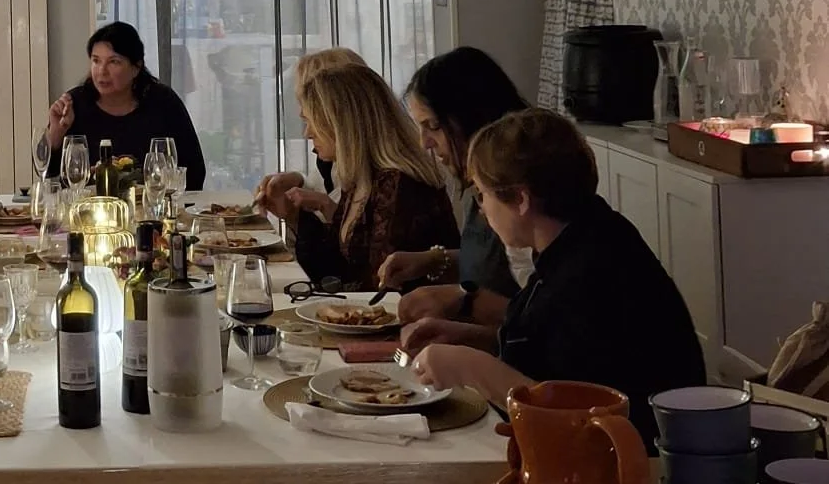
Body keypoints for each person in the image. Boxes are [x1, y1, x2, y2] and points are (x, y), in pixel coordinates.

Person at [403, 107, 705, 451]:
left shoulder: (592, 271)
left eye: (482, 194)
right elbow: (554, 356)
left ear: (520, 199)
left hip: (631, 466)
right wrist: (473, 339)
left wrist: (471, 367)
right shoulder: (588, 232)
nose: (483, 209)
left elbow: (575, 413)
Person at [259, 50, 457, 291]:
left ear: (342, 126)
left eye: (312, 122)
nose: (307, 133)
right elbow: (333, 266)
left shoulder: (397, 185)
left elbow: (377, 287)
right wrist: (293, 216)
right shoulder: (361, 178)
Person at [381, 46, 530, 326]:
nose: (423, 142)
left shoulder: (523, 189)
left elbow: (545, 321)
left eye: (433, 126)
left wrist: (462, 302)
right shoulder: (478, 180)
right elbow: (494, 262)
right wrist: (435, 260)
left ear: (471, 117)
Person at [44, 21, 206, 190]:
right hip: (89, 209)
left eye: (114, 62)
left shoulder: (163, 102)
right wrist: (56, 132)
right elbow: (49, 172)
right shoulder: (75, 103)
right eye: (96, 61)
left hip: (150, 209)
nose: (102, 71)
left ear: (136, 68)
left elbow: (194, 171)